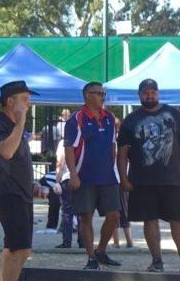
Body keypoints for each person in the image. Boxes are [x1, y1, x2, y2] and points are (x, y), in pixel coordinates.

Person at [0, 80, 45, 281]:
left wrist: (32, 185)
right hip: (8, 193)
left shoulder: (14, 127)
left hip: (21, 193)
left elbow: (18, 163)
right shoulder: (1, 126)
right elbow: (7, 152)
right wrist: (21, 122)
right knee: (14, 248)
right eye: (24, 99)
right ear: (10, 101)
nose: (29, 103)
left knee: (22, 248)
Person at [117, 78, 180, 273]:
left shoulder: (174, 114)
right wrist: (123, 178)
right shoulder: (131, 120)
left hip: (174, 179)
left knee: (177, 221)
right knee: (149, 220)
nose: (150, 95)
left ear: (158, 93)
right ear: (139, 95)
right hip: (142, 181)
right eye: (146, 92)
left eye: (153, 91)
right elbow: (122, 152)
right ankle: (156, 261)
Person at [64, 82, 121, 270]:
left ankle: (101, 251)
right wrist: (73, 174)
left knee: (114, 215)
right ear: (87, 95)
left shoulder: (110, 117)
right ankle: (90, 257)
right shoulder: (76, 119)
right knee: (85, 217)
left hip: (107, 176)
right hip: (84, 176)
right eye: (98, 94)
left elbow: (113, 144)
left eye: (104, 94)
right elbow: (69, 148)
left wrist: (112, 167)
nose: (102, 97)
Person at [54, 138, 83, 249]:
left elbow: (60, 162)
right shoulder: (83, 139)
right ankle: (83, 241)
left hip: (67, 178)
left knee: (67, 212)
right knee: (81, 211)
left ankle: (67, 242)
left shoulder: (64, 142)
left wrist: (57, 180)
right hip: (81, 178)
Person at [111, 117, 133, 248]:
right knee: (124, 210)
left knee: (113, 210)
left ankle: (116, 241)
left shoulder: (111, 140)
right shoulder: (126, 139)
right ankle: (128, 240)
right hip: (123, 177)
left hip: (115, 178)